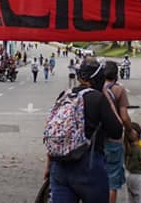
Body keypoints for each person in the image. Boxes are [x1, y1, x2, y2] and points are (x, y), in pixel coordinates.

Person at [44, 57, 123, 203]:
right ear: (98, 78)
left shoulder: (65, 95)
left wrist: (49, 165)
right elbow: (117, 131)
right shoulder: (98, 98)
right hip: (89, 166)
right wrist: (106, 97)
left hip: (60, 165)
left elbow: (56, 130)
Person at [102, 61, 133, 203]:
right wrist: (130, 131)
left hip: (98, 139)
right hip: (114, 139)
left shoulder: (97, 88)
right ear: (116, 75)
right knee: (112, 181)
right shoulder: (119, 90)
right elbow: (124, 116)